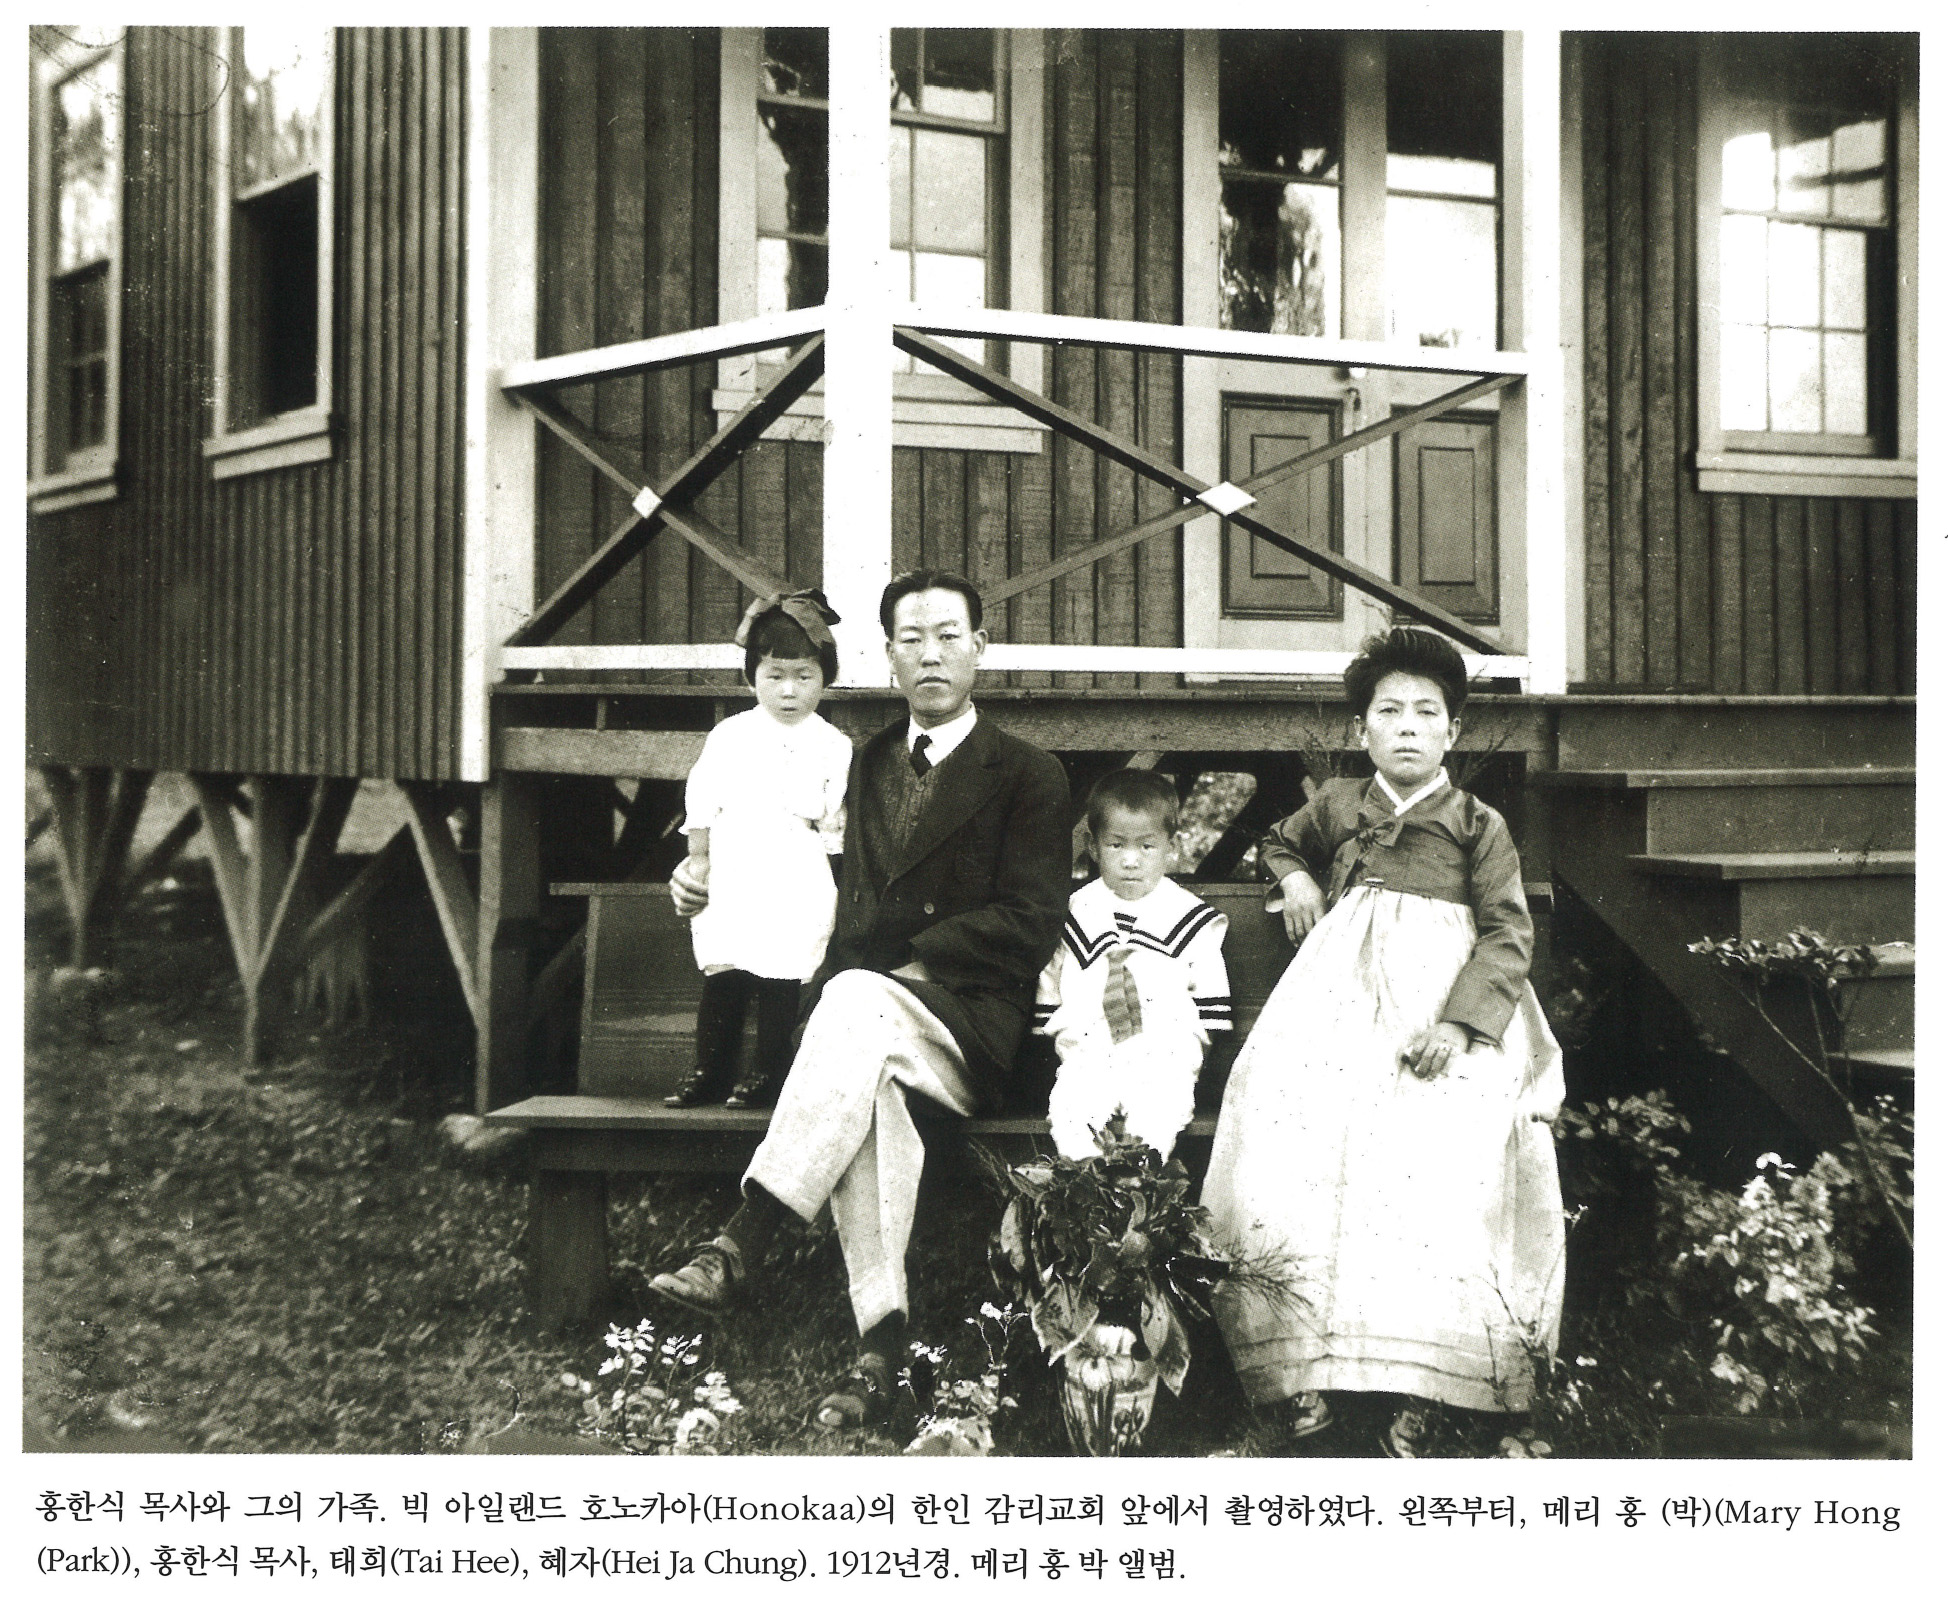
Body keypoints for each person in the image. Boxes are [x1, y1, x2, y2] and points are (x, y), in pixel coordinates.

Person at [650, 571, 1071, 1431]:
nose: (931, 654)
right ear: (888, 656)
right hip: (865, 1029)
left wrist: (912, 963)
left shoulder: (1030, 773)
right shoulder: (867, 761)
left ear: (981, 649)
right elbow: (793, 861)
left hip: (968, 1031)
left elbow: (1031, 921)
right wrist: (698, 875)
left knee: (857, 1006)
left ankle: (746, 1236)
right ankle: (880, 1351)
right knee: (868, 1082)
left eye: (949, 636)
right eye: (912, 638)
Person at [1201, 627, 1565, 1457]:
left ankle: (1428, 1384)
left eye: (1426, 712)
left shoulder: (1477, 822)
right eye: (1389, 711)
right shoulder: (1339, 802)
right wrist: (1296, 875)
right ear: (1362, 729)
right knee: (1283, 1129)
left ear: (1453, 731)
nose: (1407, 726)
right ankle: (1299, 1378)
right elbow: (1279, 840)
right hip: (1335, 1009)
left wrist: (1458, 1022)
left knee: (1444, 1153)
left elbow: (1508, 932)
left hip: (1443, 1014)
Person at [664, 592, 852, 1110]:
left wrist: (836, 876)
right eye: (775, 675)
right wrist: (700, 860)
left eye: (804, 676)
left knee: (782, 973)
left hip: (797, 867)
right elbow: (701, 801)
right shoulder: (731, 735)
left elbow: (834, 820)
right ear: (752, 677)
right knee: (725, 969)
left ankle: (768, 1070)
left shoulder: (833, 744)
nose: (789, 690)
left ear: (825, 678)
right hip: (737, 864)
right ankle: (708, 1070)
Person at [1034, 769, 1231, 1160]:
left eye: (1147, 847)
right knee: (1072, 1113)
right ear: (1093, 847)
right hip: (1088, 1053)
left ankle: (1141, 1181)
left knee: (1158, 1115)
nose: (1130, 860)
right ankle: (1085, 1182)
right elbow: (1050, 985)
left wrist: (1193, 1057)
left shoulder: (1190, 918)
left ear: (1172, 846)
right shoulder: (1072, 914)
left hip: (1162, 1053)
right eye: (1115, 845)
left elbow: (1211, 999)